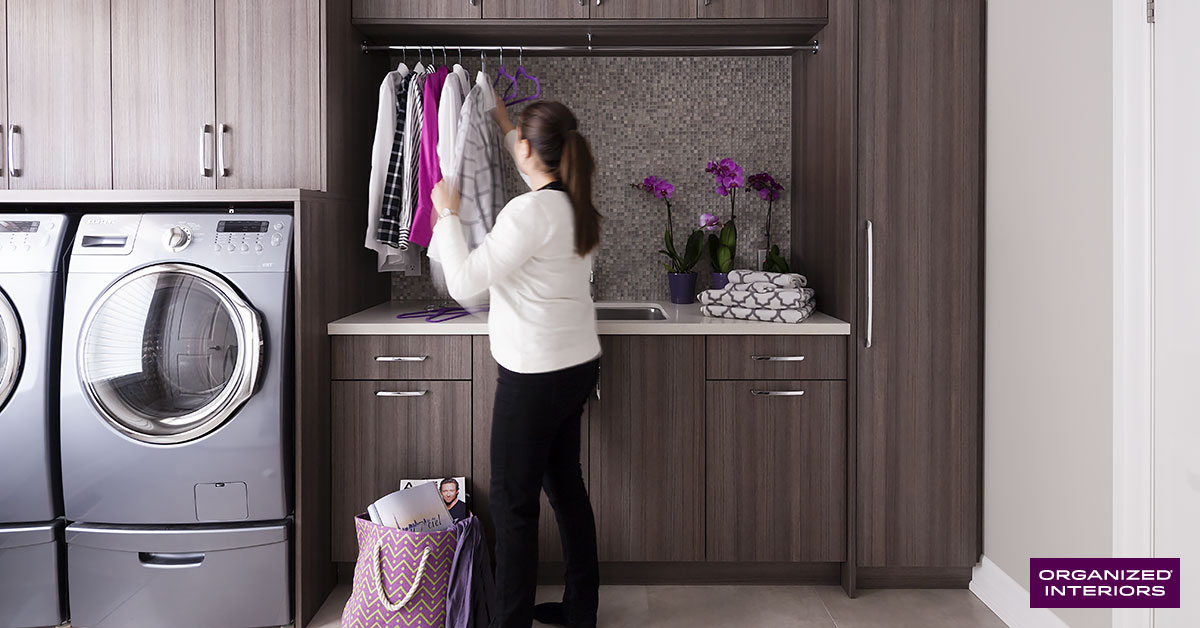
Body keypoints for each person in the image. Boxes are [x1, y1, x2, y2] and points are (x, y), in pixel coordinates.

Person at [430, 99, 602, 628]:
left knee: (513, 506)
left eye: (518, 143)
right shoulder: (573, 203)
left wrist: (448, 213)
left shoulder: (527, 213)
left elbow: (462, 282)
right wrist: (506, 123)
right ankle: (580, 611)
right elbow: (531, 158)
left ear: (530, 151)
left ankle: (510, 622)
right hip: (575, 367)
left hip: (534, 379)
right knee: (566, 487)